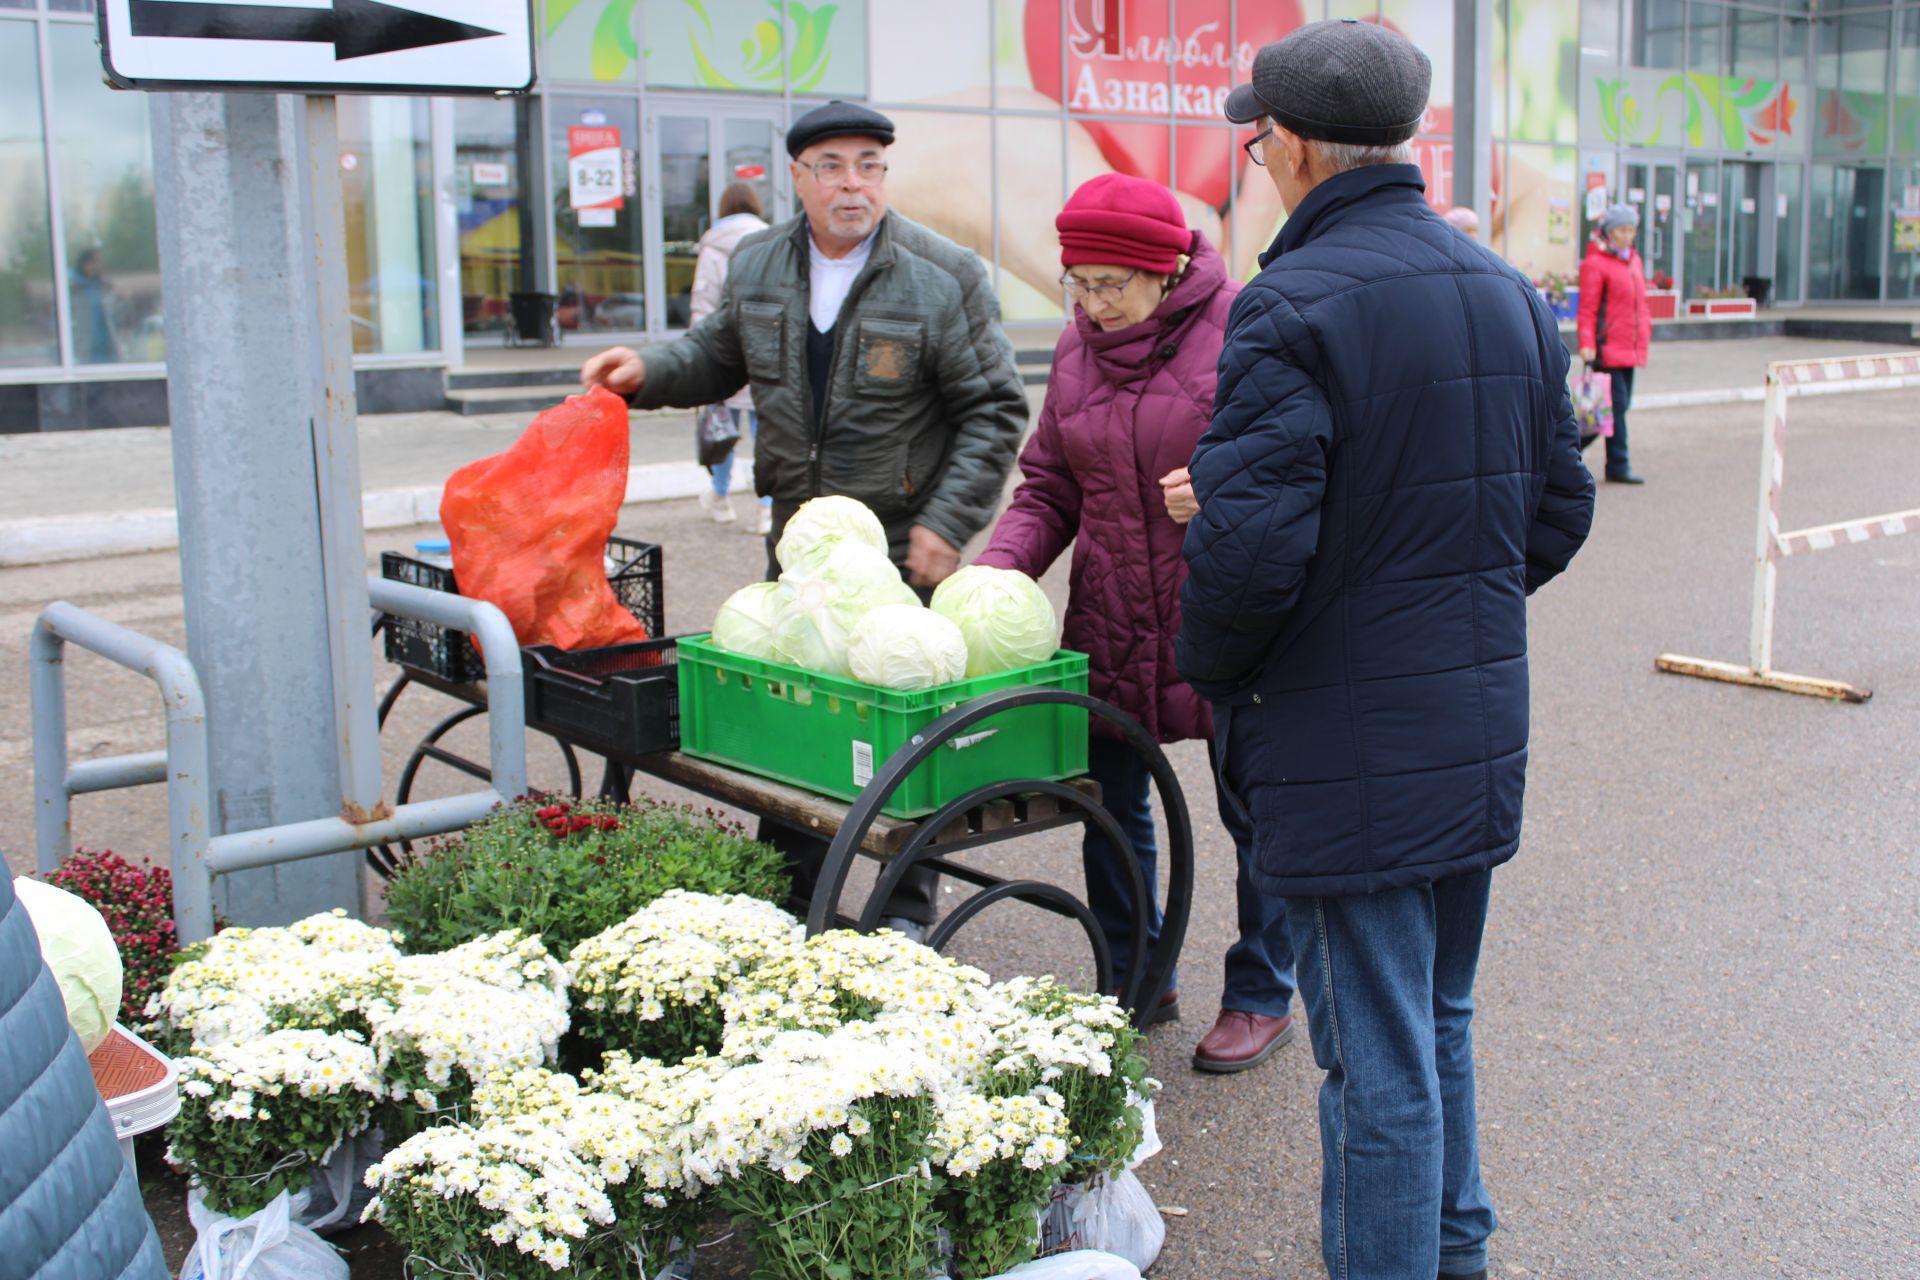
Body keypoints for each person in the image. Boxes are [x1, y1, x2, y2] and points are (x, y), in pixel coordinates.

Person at [1181, 20, 1594, 1280]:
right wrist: (1438, 597)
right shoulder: (1505, 293)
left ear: (1296, 149)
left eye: (1258, 145)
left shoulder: (1290, 303)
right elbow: (1559, 510)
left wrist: (1217, 667)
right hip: (1468, 725)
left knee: (1375, 1063)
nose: (1258, 163)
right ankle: (1455, 1249)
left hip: (1340, 743)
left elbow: (1249, 557)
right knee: (1437, 1021)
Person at [581, 101, 1028, 939]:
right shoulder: (759, 264)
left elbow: (994, 410)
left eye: (869, 165)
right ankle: (784, 902)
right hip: (802, 545)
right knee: (793, 725)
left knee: (901, 736)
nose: (852, 184)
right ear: (797, 176)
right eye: (831, 166)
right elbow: (715, 355)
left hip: (899, 550)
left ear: (885, 176)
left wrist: (947, 520)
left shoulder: (943, 275)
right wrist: (645, 368)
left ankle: (900, 916)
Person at [971, 173, 1297, 1068]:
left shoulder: (1246, 330)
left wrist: (1227, 491)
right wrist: (998, 573)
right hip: (1113, 609)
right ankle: (1136, 972)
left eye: (1112, 283)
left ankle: (1263, 990)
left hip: (1226, 612)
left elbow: (1298, 466)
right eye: (1079, 281)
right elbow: (1049, 483)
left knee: (1256, 813)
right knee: (1108, 806)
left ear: (1167, 271)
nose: (1092, 302)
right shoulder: (1078, 349)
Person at [690, 180, 773, 532]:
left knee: (720, 429)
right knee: (766, 435)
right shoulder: (775, 243)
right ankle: (766, 507)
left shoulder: (712, 247)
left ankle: (722, 499)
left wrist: (700, 351)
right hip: (766, 352)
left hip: (724, 354)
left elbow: (704, 303)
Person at [1577, 203, 1652, 484]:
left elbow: (1639, 305)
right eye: (1622, 229)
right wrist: (1586, 342)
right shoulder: (1595, 264)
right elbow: (1587, 309)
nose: (1628, 235)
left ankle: (1564, 453)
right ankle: (1617, 464)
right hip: (1606, 348)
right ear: (1609, 232)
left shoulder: (1633, 261)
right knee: (1608, 410)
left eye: (1632, 229)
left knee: (1607, 410)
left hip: (1628, 348)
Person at [69, 247, 119, 364]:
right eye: (93, 262)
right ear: (84, 264)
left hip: (107, 352)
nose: (96, 266)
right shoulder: (73, 289)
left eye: (99, 262)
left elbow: (115, 318)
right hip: (84, 353)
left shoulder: (105, 287)